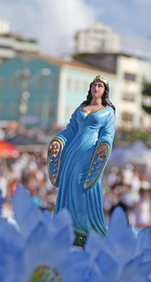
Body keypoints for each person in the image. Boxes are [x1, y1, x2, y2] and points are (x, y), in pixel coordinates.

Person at [48, 75, 115, 240]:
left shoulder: (108, 112)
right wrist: (58, 140)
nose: (96, 88)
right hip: (71, 152)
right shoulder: (82, 107)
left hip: (90, 152)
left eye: (100, 85)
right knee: (68, 184)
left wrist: (103, 146)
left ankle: (83, 228)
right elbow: (70, 130)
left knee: (81, 186)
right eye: (94, 85)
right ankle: (65, 224)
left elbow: (107, 134)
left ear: (105, 90)